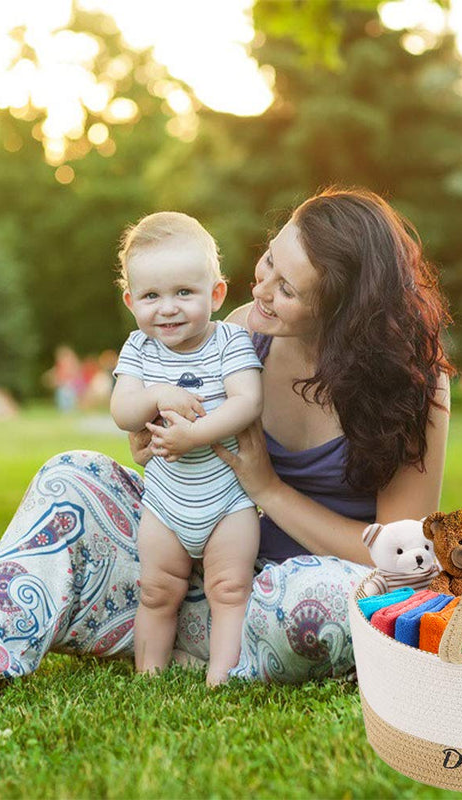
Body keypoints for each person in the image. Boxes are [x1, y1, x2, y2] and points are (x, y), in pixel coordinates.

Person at [0, 188, 454, 702]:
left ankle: (185, 642)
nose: (262, 287)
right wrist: (158, 441)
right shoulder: (243, 335)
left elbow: (404, 564)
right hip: (211, 577)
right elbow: (175, 432)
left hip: (303, 593)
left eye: (288, 290)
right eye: (269, 260)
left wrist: (268, 491)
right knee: (71, 476)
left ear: (344, 311)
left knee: (312, 601)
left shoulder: (415, 387)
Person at [110, 212, 263, 685]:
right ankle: (149, 675)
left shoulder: (229, 342)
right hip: (166, 502)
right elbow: (123, 411)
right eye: (152, 296)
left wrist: (195, 434)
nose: (168, 308)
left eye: (184, 293)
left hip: (227, 500)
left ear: (215, 294)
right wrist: (157, 396)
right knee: (156, 591)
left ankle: (222, 676)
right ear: (131, 301)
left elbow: (248, 400)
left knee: (231, 589)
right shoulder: (139, 349)